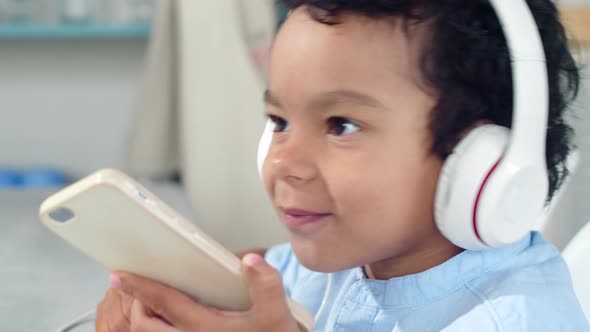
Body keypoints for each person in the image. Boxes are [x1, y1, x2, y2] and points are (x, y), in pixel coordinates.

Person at [96, 0, 589, 331]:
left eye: (341, 126)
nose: (284, 161)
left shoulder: (514, 319)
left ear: (480, 163)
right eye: (279, 120)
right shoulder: (334, 263)